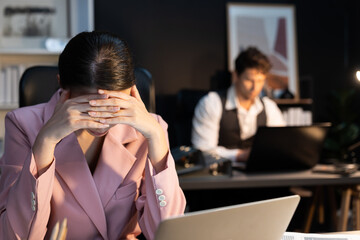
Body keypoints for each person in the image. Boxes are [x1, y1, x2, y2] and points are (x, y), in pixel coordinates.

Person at [0, 31, 186, 240]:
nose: (102, 120)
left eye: (113, 106)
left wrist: (156, 136)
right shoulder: (22, 124)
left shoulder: (151, 129)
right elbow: (14, 236)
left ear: (132, 91)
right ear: (63, 86)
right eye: (89, 107)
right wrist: (45, 141)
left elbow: (168, 234)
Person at [192, 47, 285, 162]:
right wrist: (239, 155)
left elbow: (281, 146)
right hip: (221, 175)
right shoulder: (211, 103)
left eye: (260, 81)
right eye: (249, 80)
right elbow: (203, 151)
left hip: (259, 176)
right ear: (235, 76)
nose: (255, 88)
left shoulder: (269, 108)